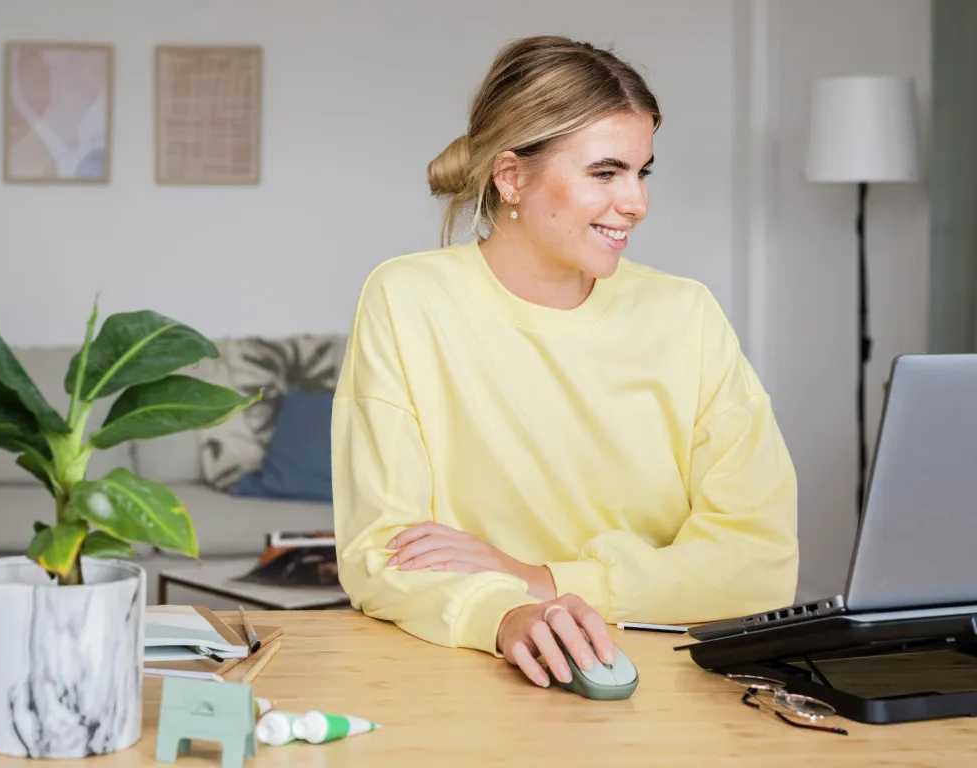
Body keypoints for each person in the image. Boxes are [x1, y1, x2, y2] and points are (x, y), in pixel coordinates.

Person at [331, 35, 798, 689]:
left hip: (671, 680)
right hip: (473, 675)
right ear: (512, 176)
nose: (636, 202)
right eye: (605, 173)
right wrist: (505, 614)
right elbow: (382, 553)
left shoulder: (686, 314)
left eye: (642, 172)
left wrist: (541, 580)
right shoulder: (408, 299)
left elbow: (759, 563)